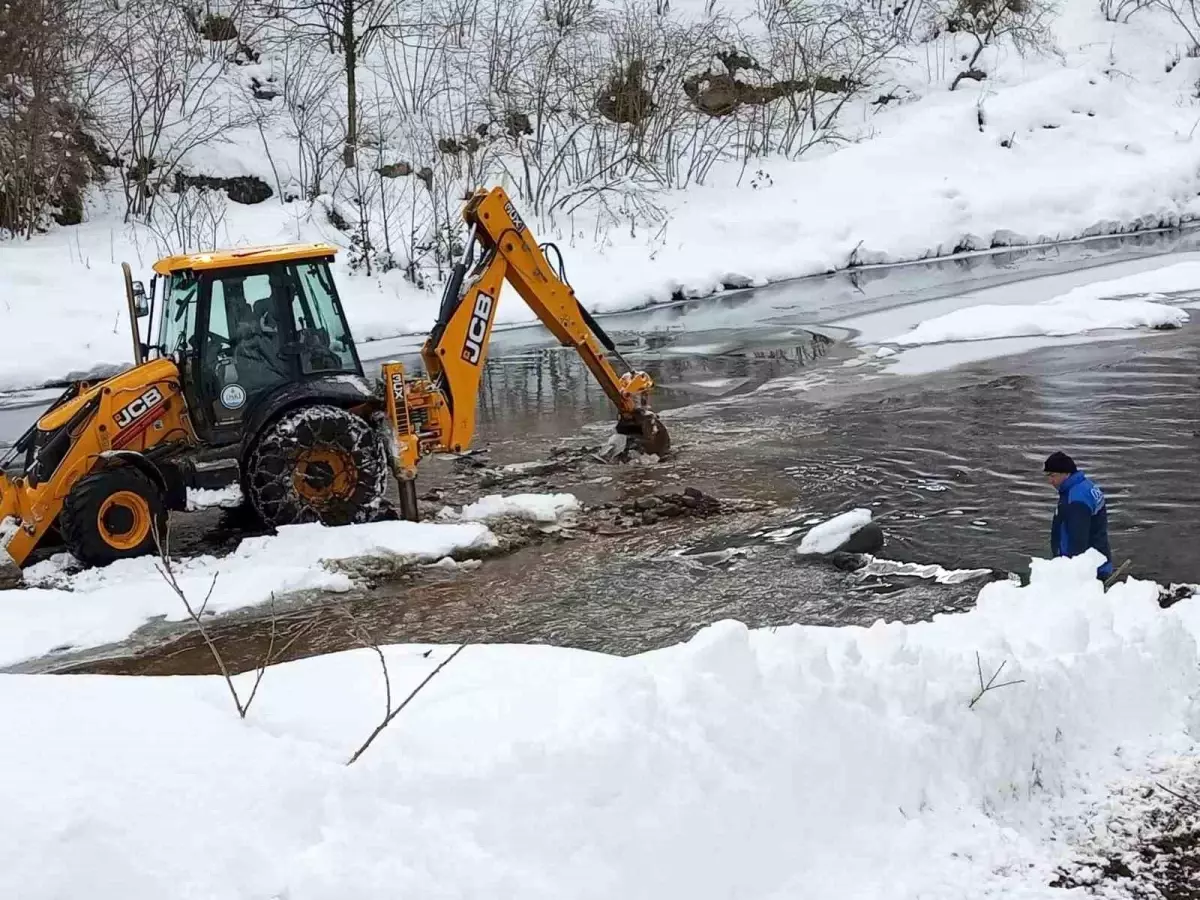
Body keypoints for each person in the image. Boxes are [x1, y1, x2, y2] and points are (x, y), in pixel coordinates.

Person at [1044, 451, 1113, 579]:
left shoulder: (1076, 500)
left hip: (1089, 572)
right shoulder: (1085, 486)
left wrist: (1072, 573)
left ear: (1066, 473)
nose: (1050, 481)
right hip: (1101, 561)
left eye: (1053, 475)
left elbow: (1077, 541)